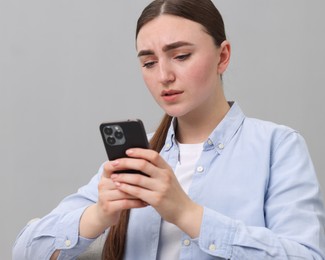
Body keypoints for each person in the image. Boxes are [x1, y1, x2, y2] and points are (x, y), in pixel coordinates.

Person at [13, 0, 325, 259]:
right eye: (149, 62)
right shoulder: (142, 155)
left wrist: (188, 214)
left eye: (181, 56)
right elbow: (25, 250)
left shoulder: (277, 146)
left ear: (223, 55)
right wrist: (99, 215)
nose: (164, 75)